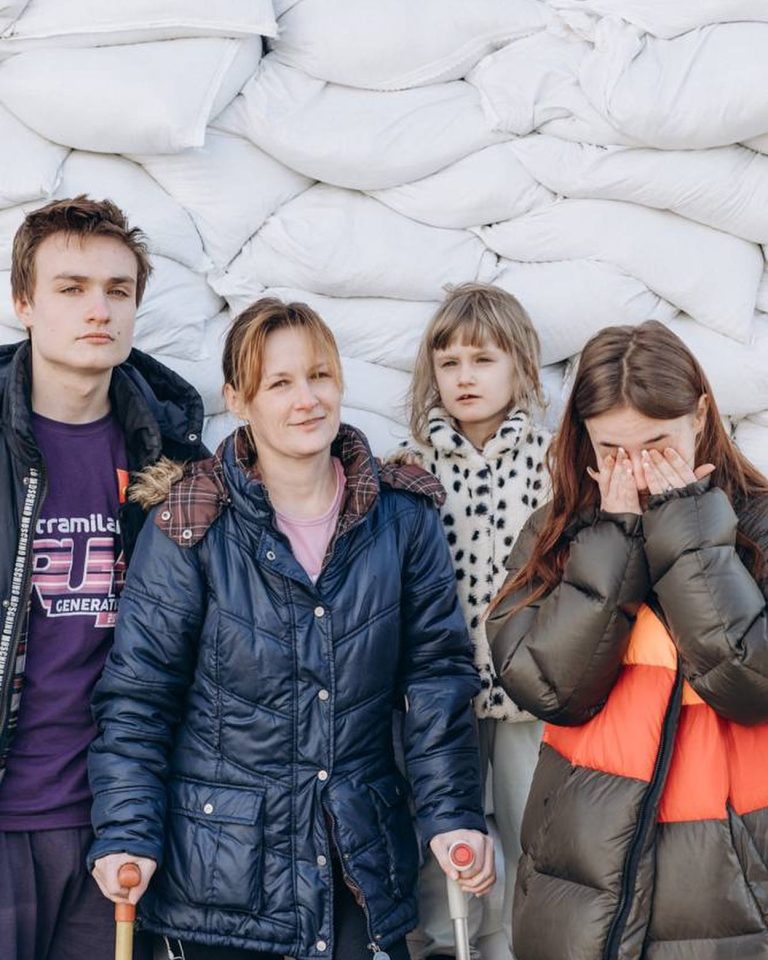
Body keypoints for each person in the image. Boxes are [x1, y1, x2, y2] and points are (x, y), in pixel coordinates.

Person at [87, 297, 495, 960]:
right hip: (222, 880)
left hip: (357, 861)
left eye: (319, 376)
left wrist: (452, 816)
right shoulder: (190, 526)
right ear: (237, 400)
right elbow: (139, 697)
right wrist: (127, 831)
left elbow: (436, 681)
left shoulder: (402, 519)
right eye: (279, 383)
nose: (307, 400)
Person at [486, 319, 768, 960]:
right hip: (580, 880)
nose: (637, 468)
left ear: (701, 416)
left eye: (658, 443)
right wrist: (613, 540)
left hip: (727, 886)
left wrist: (688, 533)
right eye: (612, 447)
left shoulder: (757, 523)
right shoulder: (558, 533)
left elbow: (750, 684)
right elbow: (547, 687)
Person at [0, 196, 207, 960]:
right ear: (23, 302)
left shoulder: (175, 459)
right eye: (72, 288)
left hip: (117, 824)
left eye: (118, 290)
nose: (99, 309)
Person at [399, 284, 550, 960]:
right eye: (450, 362)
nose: (465, 377)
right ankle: (441, 945)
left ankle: (520, 946)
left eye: (483, 360)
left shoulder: (553, 464)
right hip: (442, 695)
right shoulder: (412, 469)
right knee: (444, 839)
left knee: (529, 834)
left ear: (520, 365)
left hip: (528, 692)